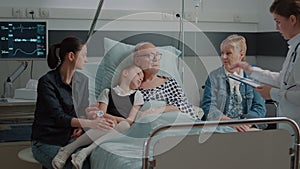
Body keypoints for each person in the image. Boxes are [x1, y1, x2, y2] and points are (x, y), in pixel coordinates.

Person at [31, 36, 115, 169]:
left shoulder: (82, 81)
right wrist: (90, 123)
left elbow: (81, 111)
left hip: (70, 138)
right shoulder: (47, 82)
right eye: (84, 55)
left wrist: (82, 124)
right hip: (47, 141)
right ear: (71, 56)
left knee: (87, 163)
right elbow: (59, 117)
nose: (86, 60)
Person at [51, 64, 144, 169]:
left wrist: (114, 119)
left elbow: (130, 120)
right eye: (138, 73)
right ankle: (68, 149)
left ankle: (85, 151)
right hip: (106, 124)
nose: (141, 77)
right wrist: (106, 118)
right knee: (105, 124)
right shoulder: (107, 92)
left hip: (122, 129)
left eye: (142, 78)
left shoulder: (137, 95)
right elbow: (100, 113)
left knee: (124, 125)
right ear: (125, 73)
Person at [231, 0, 300, 131]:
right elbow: (283, 80)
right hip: (289, 125)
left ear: (292, 20)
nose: (276, 27)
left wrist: (272, 93)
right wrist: (250, 70)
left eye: (278, 21)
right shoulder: (294, 47)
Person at [201, 34, 266, 132]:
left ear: (241, 54)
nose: (223, 57)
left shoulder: (253, 78)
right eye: (222, 53)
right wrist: (231, 123)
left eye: (228, 53)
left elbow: (259, 108)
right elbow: (208, 107)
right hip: (221, 126)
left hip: (247, 126)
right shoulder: (214, 77)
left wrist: (245, 123)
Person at [132, 42, 200, 120]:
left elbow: (184, 106)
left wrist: (156, 110)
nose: (155, 59)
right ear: (137, 61)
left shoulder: (170, 83)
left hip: (184, 125)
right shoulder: (133, 88)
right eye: (150, 55)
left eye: (157, 55)